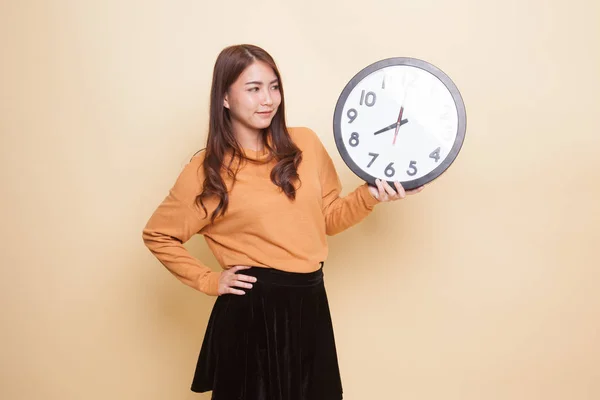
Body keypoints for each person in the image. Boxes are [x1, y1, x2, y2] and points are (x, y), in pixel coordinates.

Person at [142, 44, 423, 400]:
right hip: (251, 311)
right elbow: (158, 234)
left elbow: (328, 219)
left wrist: (371, 195)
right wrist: (209, 280)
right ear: (225, 98)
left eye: (274, 86)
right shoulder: (206, 171)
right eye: (254, 88)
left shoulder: (305, 143)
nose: (268, 99)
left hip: (309, 301)